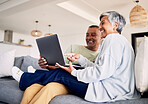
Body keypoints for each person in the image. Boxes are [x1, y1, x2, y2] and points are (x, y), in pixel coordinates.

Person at [12, 11, 140, 103]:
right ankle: (35, 74)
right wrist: (80, 59)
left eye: (103, 23)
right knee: (63, 71)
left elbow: (100, 73)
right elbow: (100, 68)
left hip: (105, 90)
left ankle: (25, 77)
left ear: (115, 25)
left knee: (62, 74)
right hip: (112, 88)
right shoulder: (122, 42)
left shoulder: (112, 40)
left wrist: (74, 72)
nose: (100, 27)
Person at [20, 25, 102, 104]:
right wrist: (47, 65)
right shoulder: (74, 47)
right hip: (58, 76)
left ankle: (29, 75)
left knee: (50, 88)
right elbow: (59, 67)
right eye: (87, 35)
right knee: (31, 88)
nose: (89, 38)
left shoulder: (100, 56)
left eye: (93, 35)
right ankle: (33, 75)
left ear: (101, 37)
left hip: (73, 83)